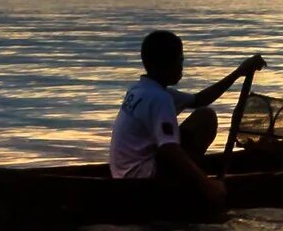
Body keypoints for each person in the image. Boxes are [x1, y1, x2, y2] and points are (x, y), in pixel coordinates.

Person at [109, 30, 261, 208]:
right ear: (167, 63)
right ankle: (186, 182)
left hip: (121, 173)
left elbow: (200, 100)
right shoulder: (159, 98)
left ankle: (190, 176)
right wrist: (207, 185)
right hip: (142, 177)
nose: (182, 66)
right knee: (206, 119)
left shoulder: (141, 89)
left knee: (204, 113)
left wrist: (239, 73)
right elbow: (169, 149)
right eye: (180, 60)